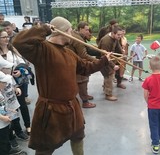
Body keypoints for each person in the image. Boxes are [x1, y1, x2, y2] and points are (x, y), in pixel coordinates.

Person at [13, 16, 112, 154]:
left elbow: (85, 67)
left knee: (78, 137)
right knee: (45, 147)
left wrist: (103, 60)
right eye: (70, 31)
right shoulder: (43, 49)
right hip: (51, 110)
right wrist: (45, 28)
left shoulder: (69, 53)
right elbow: (18, 41)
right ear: (62, 31)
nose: (71, 35)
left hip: (72, 106)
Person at [0, 28, 30, 143]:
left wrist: (19, 70)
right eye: (3, 37)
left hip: (15, 83)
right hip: (3, 87)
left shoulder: (12, 49)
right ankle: (13, 132)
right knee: (7, 109)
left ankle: (26, 126)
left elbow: (23, 63)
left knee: (20, 105)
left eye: (7, 36)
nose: (6, 38)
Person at [0, 61, 28, 155]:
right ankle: (6, 149)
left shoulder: (5, 83)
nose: (5, 85)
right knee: (4, 137)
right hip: (2, 119)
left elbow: (2, 106)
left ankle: (9, 147)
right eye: (3, 83)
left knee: (7, 134)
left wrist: (8, 111)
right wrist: (3, 116)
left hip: (6, 115)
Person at [67, 21, 97, 108]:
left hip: (74, 61)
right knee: (82, 81)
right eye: (86, 30)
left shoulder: (77, 35)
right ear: (80, 29)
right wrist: (96, 60)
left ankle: (85, 95)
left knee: (84, 79)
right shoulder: (78, 39)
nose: (88, 32)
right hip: (77, 63)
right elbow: (83, 54)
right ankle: (85, 102)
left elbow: (86, 49)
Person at [98, 25, 125, 101]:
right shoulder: (106, 41)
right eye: (118, 35)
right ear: (113, 33)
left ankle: (105, 88)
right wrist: (113, 66)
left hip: (109, 58)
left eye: (121, 35)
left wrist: (122, 53)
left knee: (108, 75)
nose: (120, 36)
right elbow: (104, 56)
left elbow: (117, 45)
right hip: (103, 60)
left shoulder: (115, 38)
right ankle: (108, 94)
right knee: (109, 76)